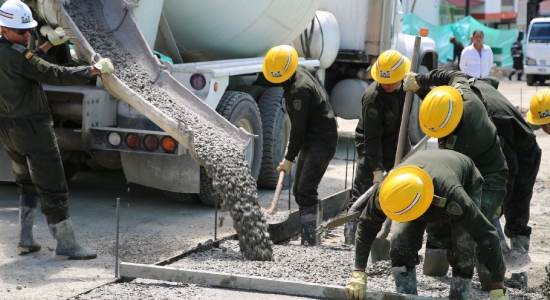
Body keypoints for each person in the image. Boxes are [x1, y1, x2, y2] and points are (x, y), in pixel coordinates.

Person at [0, 0, 114, 259]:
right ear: (3, 29)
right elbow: (54, 74)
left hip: (7, 128)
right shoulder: (18, 55)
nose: (27, 34)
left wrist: (48, 44)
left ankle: (25, 239)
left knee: (25, 181)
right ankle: (66, 244)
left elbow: (25, 65)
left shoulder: (10, 53)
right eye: (21, 32)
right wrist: (93, 70)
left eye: (29, 30)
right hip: (32, 127)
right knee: (52, 183)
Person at [344, 150, 508, 300]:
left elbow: (486, 234)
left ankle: (459, 296)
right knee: (400, 241)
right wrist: (359, 271)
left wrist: (498, 287)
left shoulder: (453, 195)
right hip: (415, 183)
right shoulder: (387, 192)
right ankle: (406, 296)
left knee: (464, 247)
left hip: (463, 179)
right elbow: (366, 225)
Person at [403, 70, 508, 291]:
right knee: (444, 221)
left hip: (488, 176)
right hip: (466, 167)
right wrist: (420, 83)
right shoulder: (461, 92)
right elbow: (451, 79)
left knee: (473, 226)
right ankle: (437, 267)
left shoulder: (464, 138)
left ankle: (492, 284)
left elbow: (456, 182)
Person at [345, 50, 430, 244]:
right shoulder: (373, 98)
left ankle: (403, 233)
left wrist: (419, 86)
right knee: (365, 187)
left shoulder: (406, 85)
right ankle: (352, 232)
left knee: (408, 179)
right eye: (384, 81)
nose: (387, 85)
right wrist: (377, 168)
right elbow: (372, 139)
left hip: (398, 137)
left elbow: (430, 98)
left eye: (392, 81)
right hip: (371, 141)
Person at [469, 77, 541, 289]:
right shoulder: (477, 87)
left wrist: (498, 200)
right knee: (503, 206)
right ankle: (513, 272)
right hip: (521, 149)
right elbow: (492, 81)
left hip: (524, 156)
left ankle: (518, 276)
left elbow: (507, 167)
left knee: (515, 210)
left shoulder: (490, 114)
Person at [262, 45, 338, 246]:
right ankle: (314, 231)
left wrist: (288, 159)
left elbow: (298, 129)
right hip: (313, 137)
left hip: (321, 140)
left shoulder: (299, 90)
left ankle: (310, 240)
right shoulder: (299, 69)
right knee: (299, 191)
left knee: (305, 189)